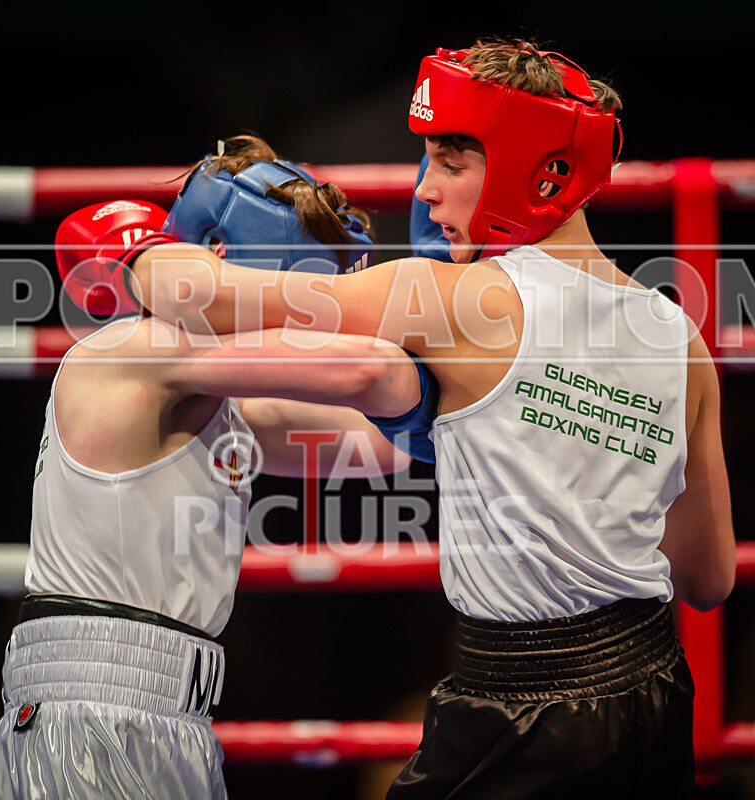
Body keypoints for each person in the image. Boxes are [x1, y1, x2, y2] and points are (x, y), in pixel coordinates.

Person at [86, 40, 735, 795]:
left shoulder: (454, 300)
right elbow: (708, 576)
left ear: (542, 170)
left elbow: (215, 300)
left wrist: (134, 249)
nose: (425, 190)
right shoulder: (677, 334)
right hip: (655, 695)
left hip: (518, 708)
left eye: (452, 161)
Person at [0, 137, 434, 799]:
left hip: (171, 718)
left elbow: (388, 442)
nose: (312, 316)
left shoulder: (224, 404)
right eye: (302, 286)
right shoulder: (138, 349)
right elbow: (361, 367)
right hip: (90, 718)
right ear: (231, 264)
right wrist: (425, 299)